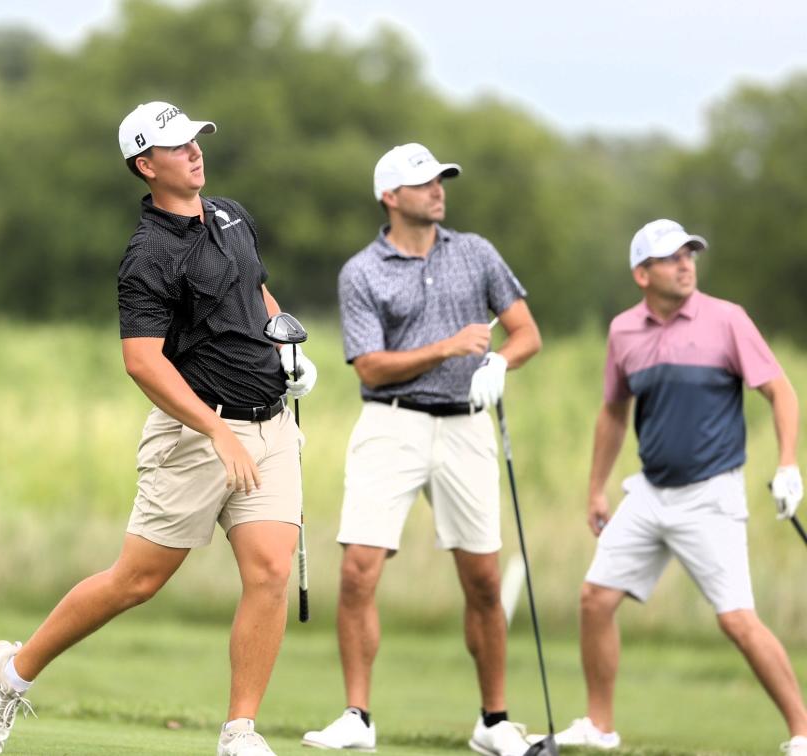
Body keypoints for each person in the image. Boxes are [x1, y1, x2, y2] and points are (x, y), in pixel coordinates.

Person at [0, 101, 318, 756]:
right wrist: (214, 431)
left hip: (268, 429)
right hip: (194, 439)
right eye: (177, 145)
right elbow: (142, 361)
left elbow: (256, 291)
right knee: (137, 581)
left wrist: (288, 350)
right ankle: (10, 675)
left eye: (195, 139)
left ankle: (239, 732)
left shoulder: (232, 216)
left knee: (269, 571)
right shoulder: (148, 255)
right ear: (145, 165)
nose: (194, 151)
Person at [302, 143, 541, 755]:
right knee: (359, 569)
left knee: (484, 579)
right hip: (392, 423)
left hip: (466, 426)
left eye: (441, 180)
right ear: (390, 196)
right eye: (424, 182)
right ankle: (357, 717)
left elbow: (526, 333)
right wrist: (447, 347)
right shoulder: (363, 270)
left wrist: (498, 362)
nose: (438, 190)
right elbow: (371, 368)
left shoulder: (477, 253)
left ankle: (493, 723)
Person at [551, 219, 807, 754]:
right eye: (671, 257)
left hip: (711, 494)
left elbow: (780, 393)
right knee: (595, 599)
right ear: (642, 274)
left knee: (737, 620)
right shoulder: (623, 331)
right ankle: (600, 727)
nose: (686, 263)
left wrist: (788, 465)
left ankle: (803, 732)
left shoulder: (727, 320)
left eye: (690, 253)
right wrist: (596, 488)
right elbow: (614, 413)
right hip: (648, 491)